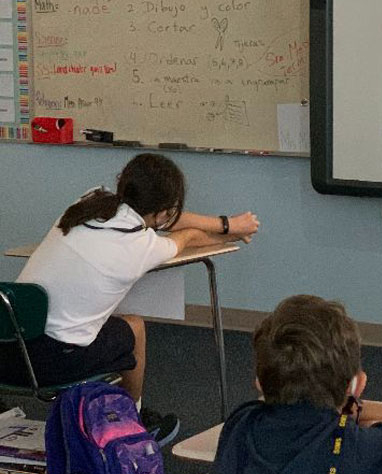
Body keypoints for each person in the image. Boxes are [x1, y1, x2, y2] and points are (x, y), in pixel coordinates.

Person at [0, 153, 259, 445]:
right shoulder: (141, 246)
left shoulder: (87, 203)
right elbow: (185, 235)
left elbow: (172, 223)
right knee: (134, 326)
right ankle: (131, 422)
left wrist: (229, 226)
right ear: (164, 212)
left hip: (8, 352)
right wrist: (232, 233)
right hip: (51, 363)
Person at [209, 295, 382, 474]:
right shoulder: (354, 447)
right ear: (354, 385)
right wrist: (353, 404)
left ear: (259, 382)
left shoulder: (241, 423)